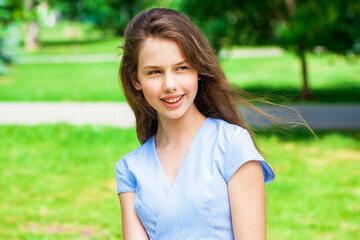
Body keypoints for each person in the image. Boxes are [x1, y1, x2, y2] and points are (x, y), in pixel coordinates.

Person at [116, 8, 275, 240]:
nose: (170, 84)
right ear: (136, 80)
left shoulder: (232, 144)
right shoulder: (130, 168)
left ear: (198, 70)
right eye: (154, 72)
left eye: (181, 68)